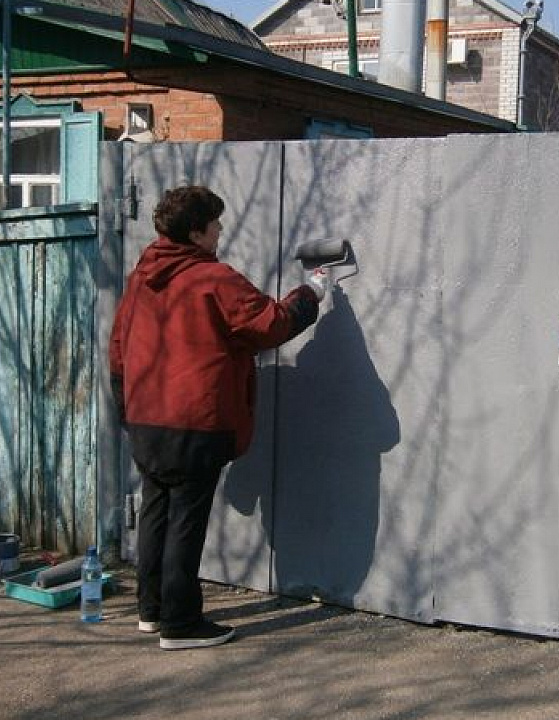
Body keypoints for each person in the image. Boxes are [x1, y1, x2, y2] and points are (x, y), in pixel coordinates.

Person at [108, 185, 326, 650]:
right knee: (185, 520)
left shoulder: (142, 277)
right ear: (196, 232)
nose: (221, 229)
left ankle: (152, 611)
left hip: (146, 417)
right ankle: (181, 625)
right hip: (195, 420)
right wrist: (311, 294)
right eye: (215, 223)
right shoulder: (212, 278)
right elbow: (269, 324)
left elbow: (119, 346)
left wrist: (123, 404)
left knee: (156, 512)